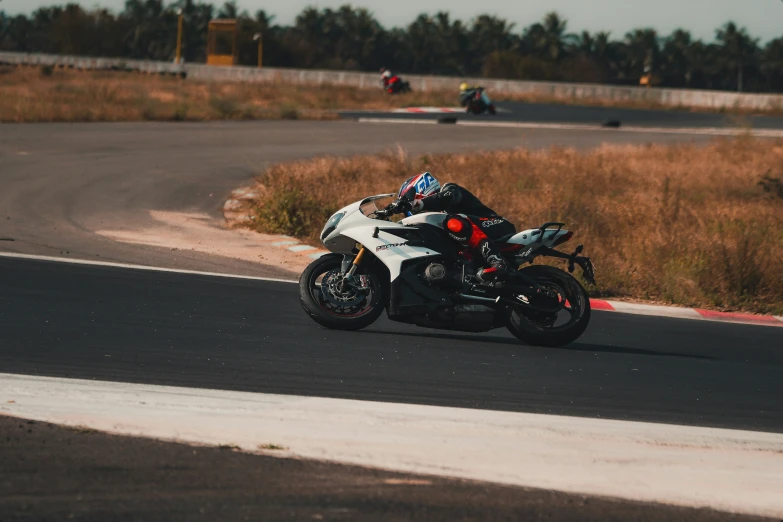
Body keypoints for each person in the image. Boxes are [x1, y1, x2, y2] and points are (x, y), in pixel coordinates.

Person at [384, 172, 517, 284]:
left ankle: (497, 262)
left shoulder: (449, 190)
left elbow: (446, 198)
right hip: (474, 253)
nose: (409, 208)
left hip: (496, 225)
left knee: (453, 221)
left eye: (410, 200)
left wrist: (419, 204)